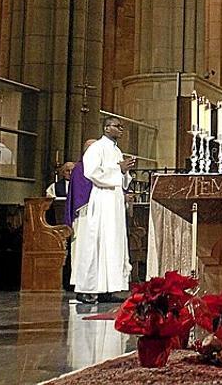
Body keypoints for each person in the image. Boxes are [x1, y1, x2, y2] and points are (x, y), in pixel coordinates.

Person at [74, 117, 135, 304]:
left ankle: (108, 288)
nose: (121, 129)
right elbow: (91, 172)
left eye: (121, 127)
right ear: (107, 128)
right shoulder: (96, 148)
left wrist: (124, 172)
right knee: (97, 243)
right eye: (117, 126)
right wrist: (119, 169)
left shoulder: (116, 150)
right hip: (101, 200)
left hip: (114, 201)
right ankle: (86, 289)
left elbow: (121, 177)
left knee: (113, 244)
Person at [66, 139, 97, 289]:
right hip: (84, 215)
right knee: (82, 248)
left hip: (97, 215)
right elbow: (81, 193)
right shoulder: (80, 168)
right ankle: (80, 282)